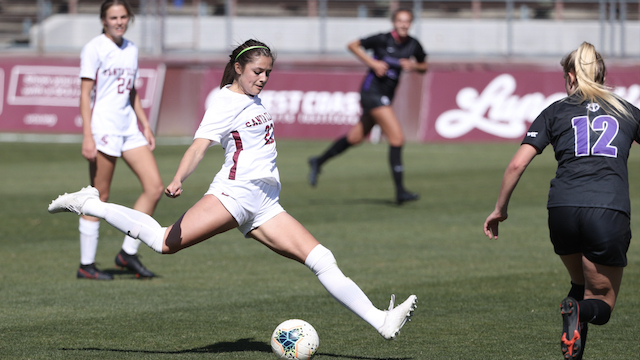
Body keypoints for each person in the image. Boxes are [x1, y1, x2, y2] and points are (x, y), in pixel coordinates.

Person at [50, 39, 417, 339]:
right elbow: (199, 145)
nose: (263, 78)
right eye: (258, 71)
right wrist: (179, 178)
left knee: (322, 259)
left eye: (268, 73)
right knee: (162, 242)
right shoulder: (225, 100)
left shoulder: (252, 99)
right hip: (235, 195)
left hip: (266, 202)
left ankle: (381, 321)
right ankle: (91, 202)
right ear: (239, 68)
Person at [483, 42, 640, 359]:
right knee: (602, 302)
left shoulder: (555, 111)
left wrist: (501, 209)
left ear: (570, 76)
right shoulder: (626, 110)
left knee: (579, 282)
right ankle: (577, 311)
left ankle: (573, 346)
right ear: (602, 73)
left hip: (562, 210)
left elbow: (517, 164)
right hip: (607, 210)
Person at [77, 0, 164, 280]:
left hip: (129, 128)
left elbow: (131, 90)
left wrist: (145, 123)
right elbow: (85, 94)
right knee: (99, 196)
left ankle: (127, 253)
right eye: (113, 17)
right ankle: (86, 265)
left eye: (123, 16)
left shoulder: (131, 48)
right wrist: (88, 135)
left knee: (154, 187)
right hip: (103, 128)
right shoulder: (94, 48)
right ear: (103, 19)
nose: (119, 21)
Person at [308, 8, 427, 204]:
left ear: (411, 23)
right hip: (371, 92)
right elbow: (353, 45)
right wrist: (372, 63)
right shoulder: (382, 39)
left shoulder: (413, 45)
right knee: (397, 138)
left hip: (386, 96)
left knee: (355, 138)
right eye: (400, 21)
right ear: (394, 22)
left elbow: (424, 67)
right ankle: (400, 192)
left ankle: (318, 161)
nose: (403, 24)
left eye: (407, 21)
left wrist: (414, 66)